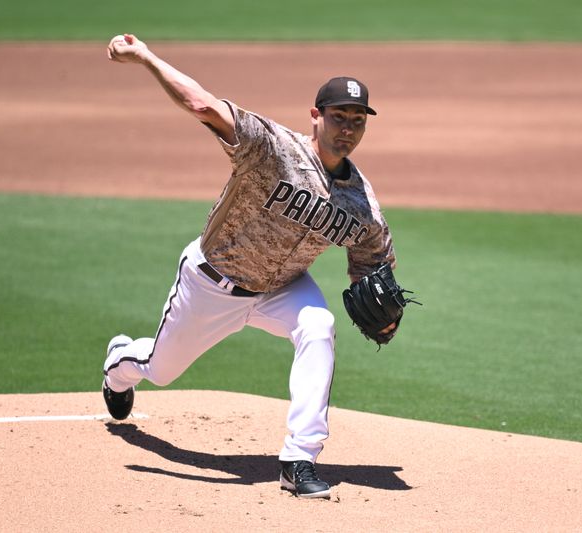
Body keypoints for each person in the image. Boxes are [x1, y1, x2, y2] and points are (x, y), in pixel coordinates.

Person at [101, 34, 398, 499]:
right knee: (158, 368)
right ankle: (119, 363)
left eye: (358, 121)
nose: (348, 128)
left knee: (318, 326)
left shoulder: (362, 203)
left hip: (282, 289)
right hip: (212, 282)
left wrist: (389, 312)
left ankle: (299, 459)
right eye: (339, 116)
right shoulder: (272, 148)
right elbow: (202, 105)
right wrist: (145, 57)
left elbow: (372, 265)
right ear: (315, 116)